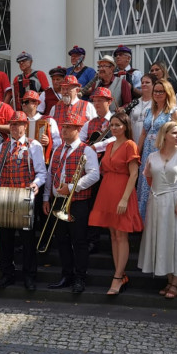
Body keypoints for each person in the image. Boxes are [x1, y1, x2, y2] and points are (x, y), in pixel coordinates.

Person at [138, 122, 177, 298]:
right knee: (162, 239)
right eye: (174, 133)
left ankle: (176, 284)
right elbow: (149, 178)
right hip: (157, 202)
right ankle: (169, 280)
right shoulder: (152, 156)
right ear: (164, 135)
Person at [43, 113, 100, 294]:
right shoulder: (58, 149)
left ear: (77, 129)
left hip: (77, 202)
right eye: (63, 127)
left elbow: (94, 175)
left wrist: (72, 187)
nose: (64, 130)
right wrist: (46, 197)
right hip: (58, 202)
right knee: (62, 240)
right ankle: (66, 275)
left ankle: (80, 277)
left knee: (79, 241)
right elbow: (51, 175)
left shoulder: (87, 150)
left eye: (68, 127)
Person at [88, 113, 143, 295]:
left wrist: (125, 199)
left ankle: (118, 277)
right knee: (113, 235)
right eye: (112, 125)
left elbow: (134, 174)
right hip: (107, 191)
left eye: (118, 125)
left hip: (122, 192)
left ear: (126, 126)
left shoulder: (130, 145)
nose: (114, 128)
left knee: (121, 236)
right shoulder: (110, 144)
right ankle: (120, 273)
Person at [0, 113, 47, 291]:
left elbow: (41, 173)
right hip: (6, 196)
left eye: (18, 125)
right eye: (12, 125)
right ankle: (7, 274)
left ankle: (29, 276)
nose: (15, 128)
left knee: (28, 240)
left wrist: (36, 184)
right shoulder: (3, 146)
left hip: (24, 196)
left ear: (25, 126)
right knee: (5, 238)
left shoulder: (34, 145)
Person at [137, 79, 177, 220]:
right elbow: (144, 133)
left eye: (161, 91)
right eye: (156, 91)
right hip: (147, 152)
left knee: (158, 183)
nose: (158, 94)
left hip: (163, 151)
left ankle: (159, 219)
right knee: (145, 183)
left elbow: (176, 135)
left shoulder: (173, 111)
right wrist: (137, 151)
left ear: (168, 93)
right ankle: (144, 220)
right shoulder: (149, 110)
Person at [129, 74, 155, 145]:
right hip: (135, 137)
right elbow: (130, 121)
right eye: (142, 82)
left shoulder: (156, 103)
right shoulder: (135, 102)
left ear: (153, 85)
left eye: (147, 82)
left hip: (149, 139)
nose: (144, 84)